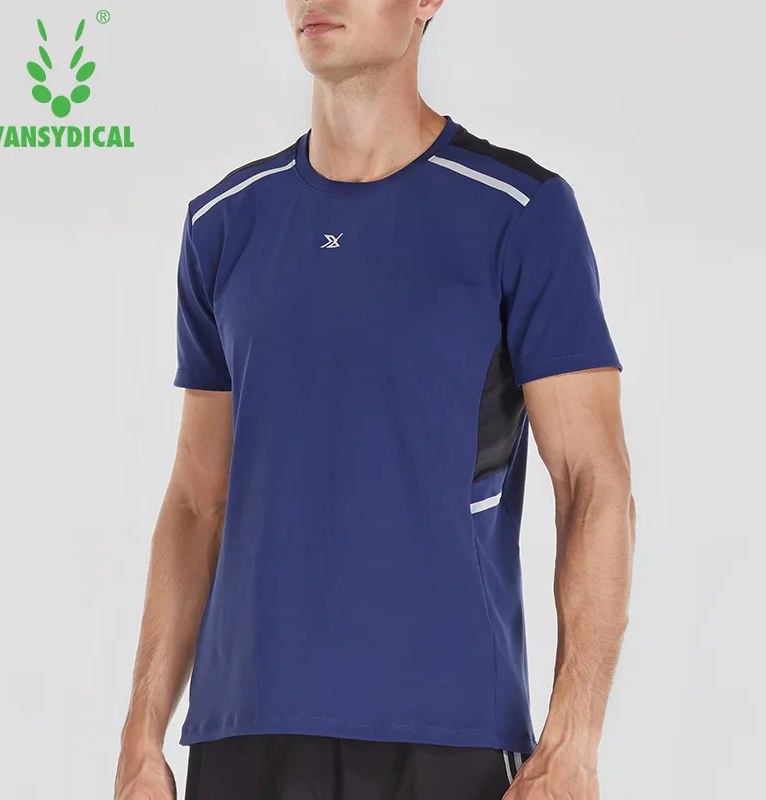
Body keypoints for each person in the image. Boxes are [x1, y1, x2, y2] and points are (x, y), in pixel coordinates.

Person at [113, 1, 636, 798]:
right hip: (244, 732)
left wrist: (575, 739)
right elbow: (195, 499)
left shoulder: (519, 213)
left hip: (447, 734)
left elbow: (595, 484)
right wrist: (140, 735)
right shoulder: (225, 222)